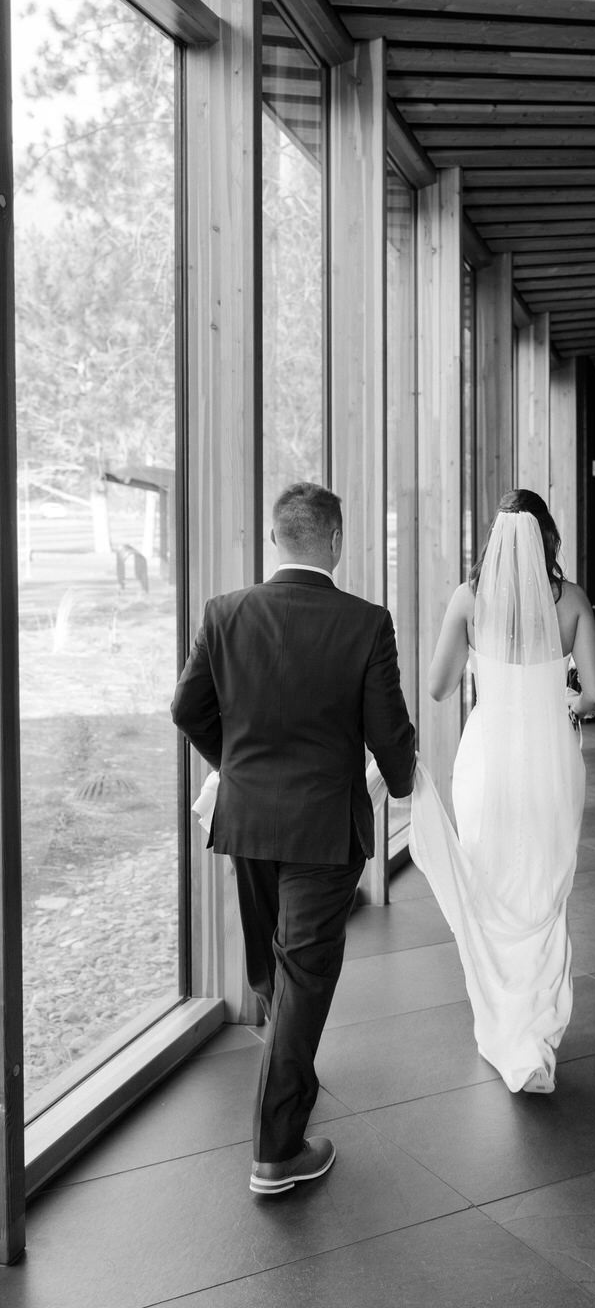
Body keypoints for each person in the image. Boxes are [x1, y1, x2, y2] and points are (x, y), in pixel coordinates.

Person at [171, 483, 416, 1194]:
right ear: (336, 541)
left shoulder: (223, 614)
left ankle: (287, 1055)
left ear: (276, 538)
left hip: (245, 819)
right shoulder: (366, 623)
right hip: (320, 826)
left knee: (275, 969)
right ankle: (277, 1150)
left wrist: (238, 768)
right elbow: (387, 733)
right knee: (304, 973)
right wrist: (401, 784)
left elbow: (187, 709)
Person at [414, 487, 595, 1094]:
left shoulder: (470, 600)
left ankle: (501, 1023)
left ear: (496, 541)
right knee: (546, 890)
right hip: (551, 762)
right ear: (547, 537)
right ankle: (537, 1031)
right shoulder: (570, 600)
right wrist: (567, 701)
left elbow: (439, 688)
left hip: (489, 763)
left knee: (492, 884)